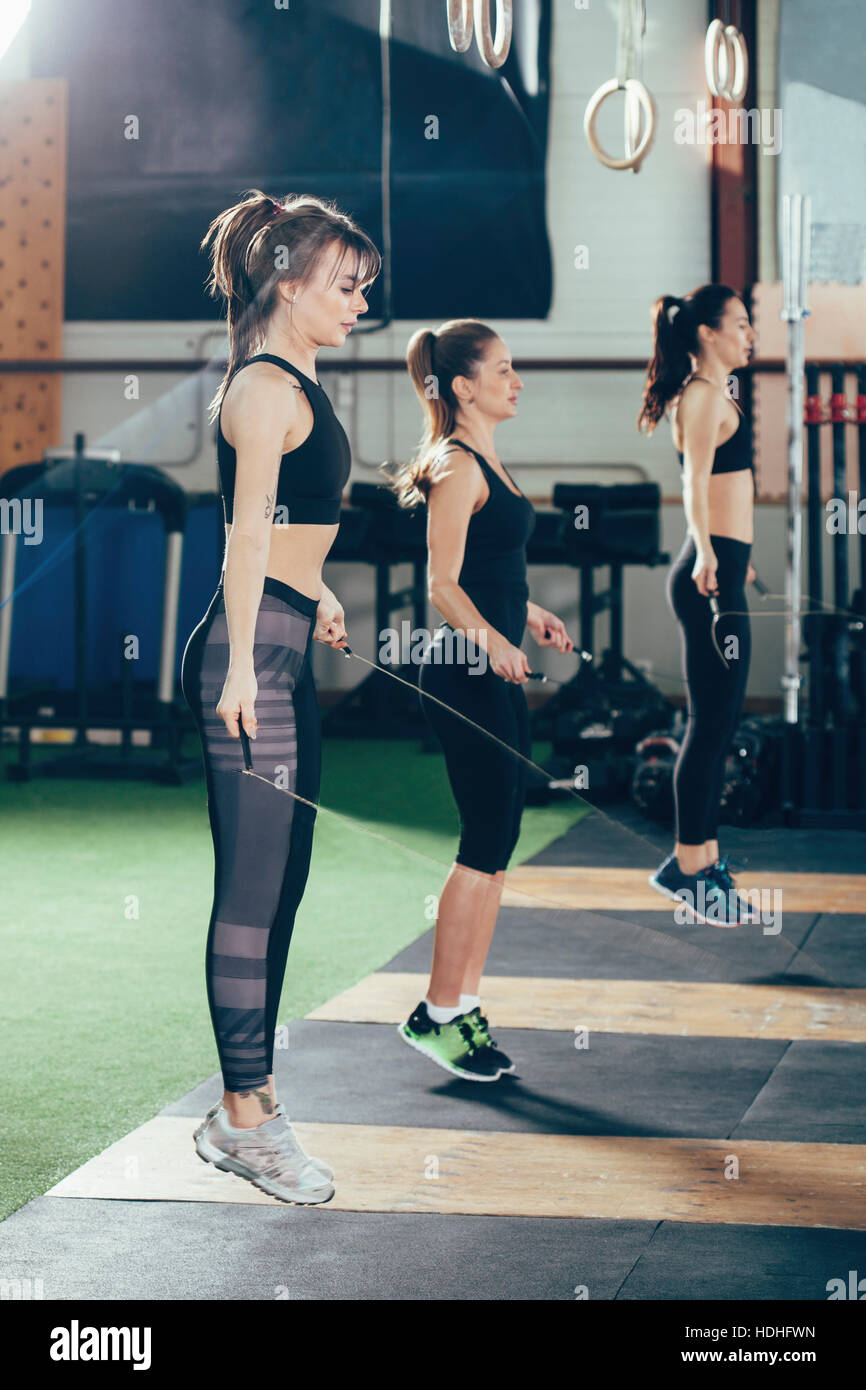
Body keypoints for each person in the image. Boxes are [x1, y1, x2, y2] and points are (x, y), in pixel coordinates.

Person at [180, 190, 380, 1202]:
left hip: (284, 641)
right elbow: (244, 534)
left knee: (285, 883)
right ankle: (243, 1117)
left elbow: (292, 523)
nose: (357, 303)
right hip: (250, 658)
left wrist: (321, 591)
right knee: (252, 896)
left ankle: (248, 1106)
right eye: (344, 287)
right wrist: (233, 670)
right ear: (287, 282)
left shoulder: (296, 376)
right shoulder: (264, 387)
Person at [390, 319, 573, 1080]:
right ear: (462, 385)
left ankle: (460, 1007)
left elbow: (487, 566)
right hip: (465, 675)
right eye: (502, 369)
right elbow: (440, 585)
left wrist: (524, 615)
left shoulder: (485, 456)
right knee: (484, 842)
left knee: (498, 845)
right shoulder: (457, 463)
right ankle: (436, 1011)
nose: (515, 380)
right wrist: (493, 640)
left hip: (491, 665)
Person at [638, 284, 758, 926]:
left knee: (718, 722)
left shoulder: (715, 394)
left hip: (723, 568)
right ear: (708, 333)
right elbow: (691, 481)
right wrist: (710, 554)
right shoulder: (705, 396)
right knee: (710, 725)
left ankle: (703, 861)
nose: (749, 335)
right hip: (708, 575)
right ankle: (688, 866)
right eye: (740, 324)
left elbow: (723, 486)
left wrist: (734, 552)